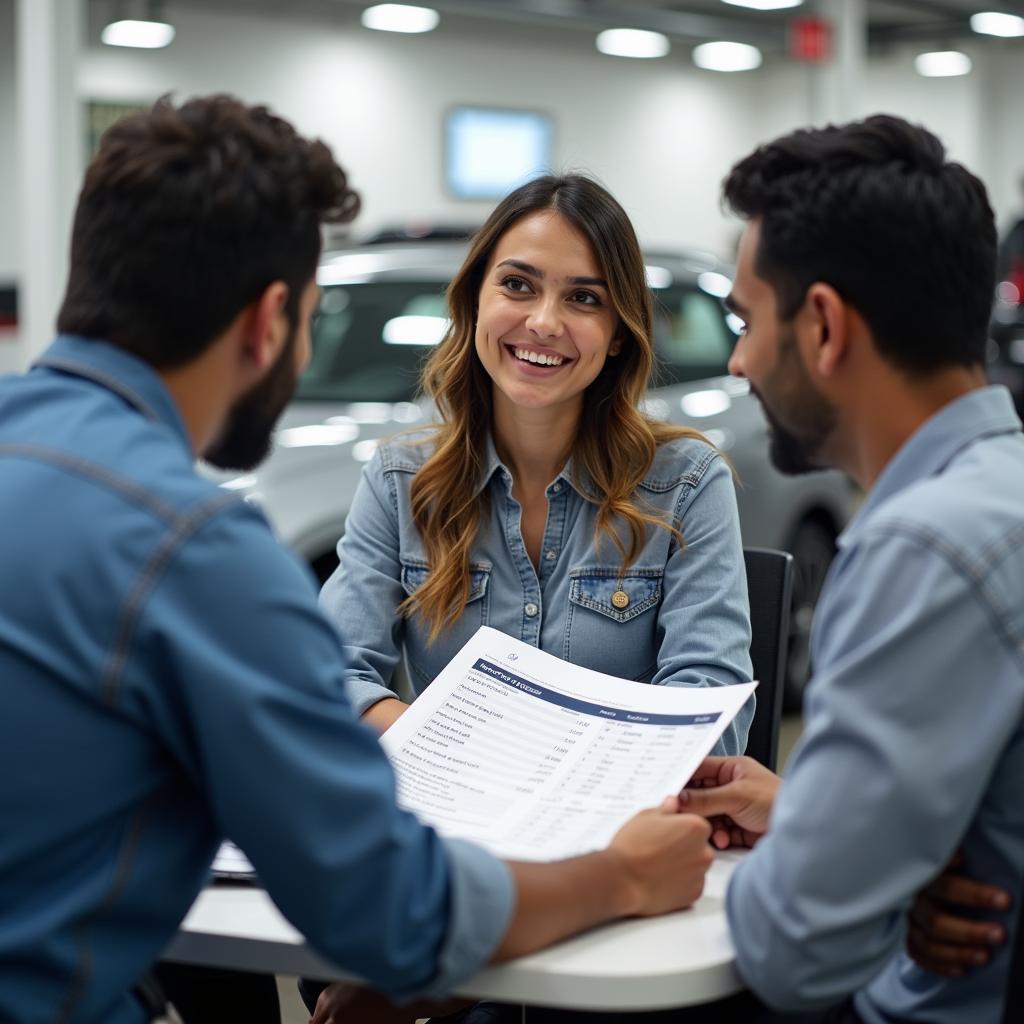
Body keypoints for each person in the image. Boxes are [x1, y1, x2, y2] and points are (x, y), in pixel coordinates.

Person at [0, 95, 719, 1023]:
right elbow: (391, 909)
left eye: (582, 297)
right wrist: (618, 879)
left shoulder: (687, 479)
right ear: (271, 322)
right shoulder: (197, 551)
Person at [306, 175, 757, 1020]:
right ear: (474, 300)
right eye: (517, 284)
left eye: (583, 298)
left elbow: (710, 704)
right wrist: (462, 763)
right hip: (454, 853)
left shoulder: (687, 483)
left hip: (618, 876)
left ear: (619, 333)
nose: (544, 322)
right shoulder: (400, 480)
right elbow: (334, 678)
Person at [678, 114, 1024, 1023]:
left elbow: (793, 948)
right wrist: (833, 832)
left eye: (749, 319)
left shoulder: (922, 552)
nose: (738, 357)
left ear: (824, 325)